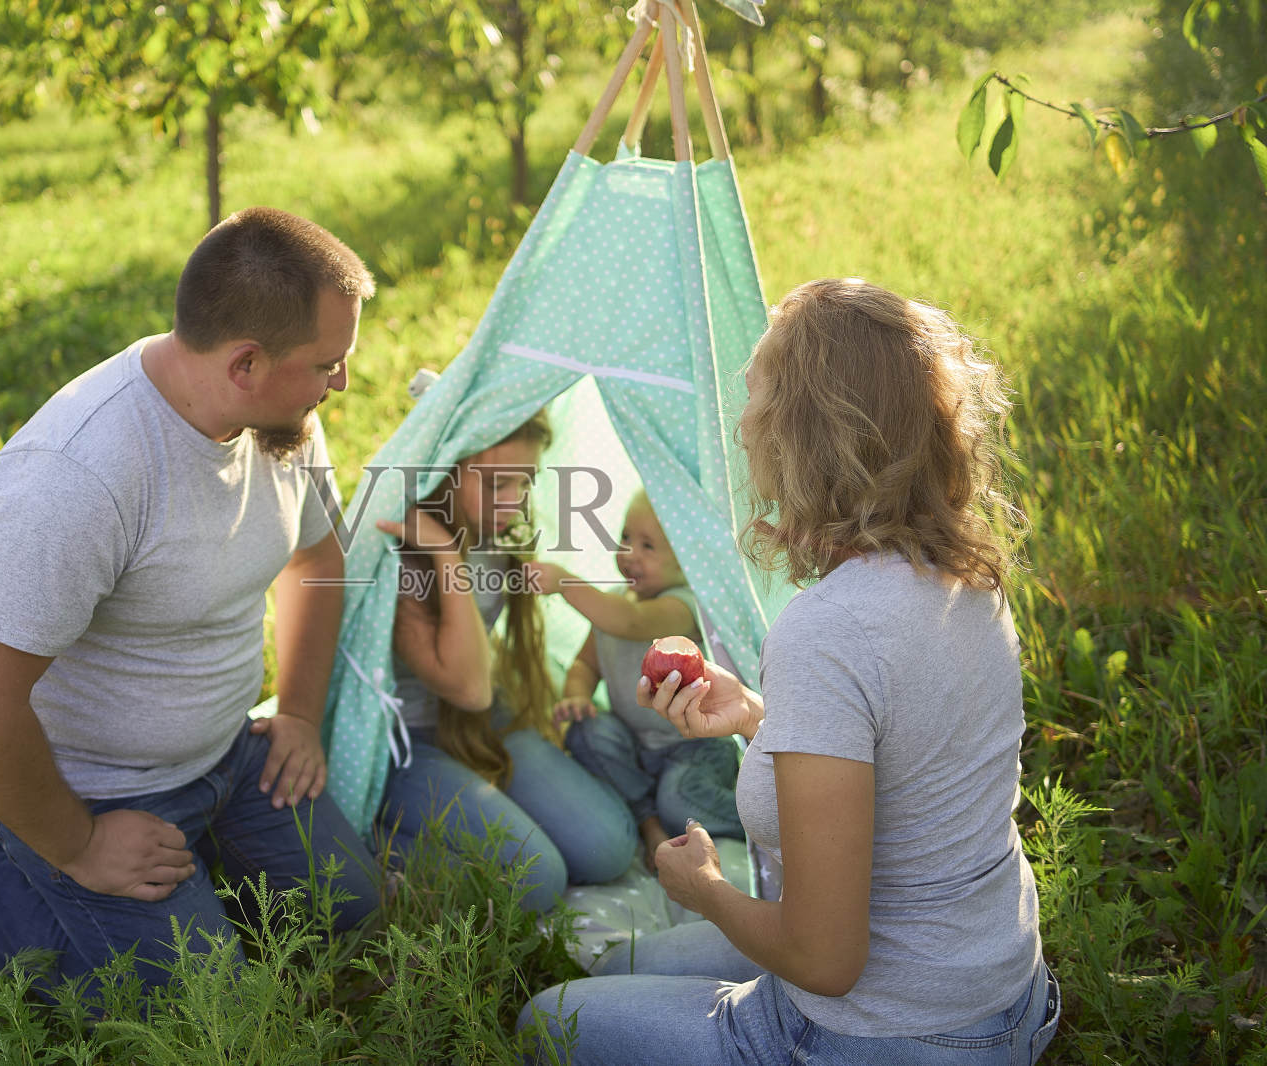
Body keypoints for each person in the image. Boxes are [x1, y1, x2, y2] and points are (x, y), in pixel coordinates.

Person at [521, 278, 1060, 1065]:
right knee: (627, 965)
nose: (740, 426)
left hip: (881, 1033)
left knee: (549, 1020)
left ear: (803, 434)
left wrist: (703, 887)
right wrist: (756, 717)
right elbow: (906, 759)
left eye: (756, 397)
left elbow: (824, 963)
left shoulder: (828, 627)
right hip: (1001, 999)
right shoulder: (965, 575)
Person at [0, 207, 384, 991]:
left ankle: (194, 872)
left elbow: (314, 555)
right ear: (245, 364)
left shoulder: (282, 420)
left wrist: (297, 710)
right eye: (327, 364)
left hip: (232, 754)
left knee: (352, 910)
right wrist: (79, 844)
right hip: (95, 789)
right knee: (214, 1012)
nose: (342, 381)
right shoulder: (79, 473)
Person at [373, 410, 636, 913]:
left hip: (475, 722)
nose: (514, 502)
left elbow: (483, 693)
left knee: (609, 848)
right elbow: (467, 686)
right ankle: (374, 845)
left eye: (525, 482)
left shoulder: (500, 533)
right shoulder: (403, 555)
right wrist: (445, 556)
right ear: (447, 474)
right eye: (496, 485)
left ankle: (481, 812)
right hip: (402, 741)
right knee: (536, 881)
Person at [525, 490, 742, 871]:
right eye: (626, 537)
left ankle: (763, 824)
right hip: (634, 745)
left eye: (648, 546)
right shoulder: (613, 601)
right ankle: (649, 822)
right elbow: (584, 664)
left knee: (681, 801)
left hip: (692, 748)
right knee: (587, 733)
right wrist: (576, 696)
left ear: (686, 561)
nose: (629, 553)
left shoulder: (682, 606)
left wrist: (566, 584)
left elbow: (630, 623)